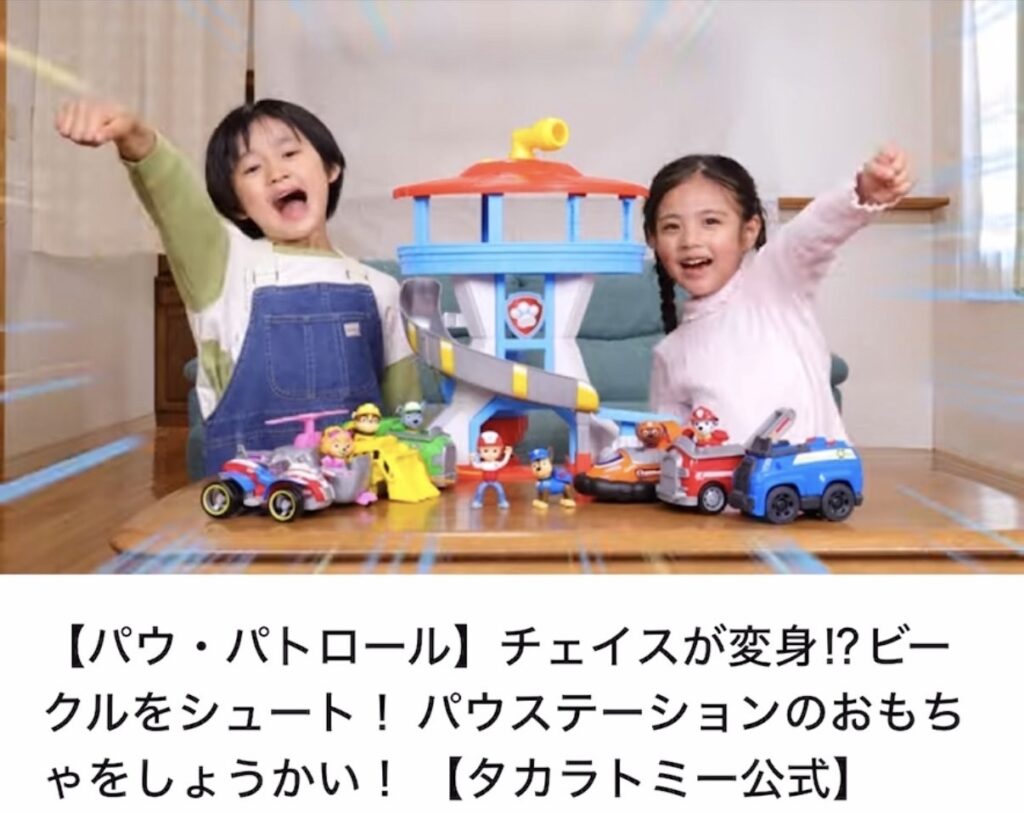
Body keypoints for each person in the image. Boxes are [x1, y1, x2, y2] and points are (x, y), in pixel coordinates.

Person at [55, 98, 420, 474]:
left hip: (359, 500)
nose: (276, 173)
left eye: (289, 153)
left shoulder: (382, 288)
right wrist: (135, 136)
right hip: (247, 499)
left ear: (330, 168)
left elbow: (405, 417)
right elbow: (175, 198)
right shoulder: (224, 264)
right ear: (237, 205)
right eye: (252, 168)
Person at [645, 147, 912, 444]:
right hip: (731, 476)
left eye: (710, 222)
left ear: (749, 231)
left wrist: (861, 193)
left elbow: (811, 233)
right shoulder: (670, 353)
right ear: (653, 239)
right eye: (671, 226)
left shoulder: (774, 282)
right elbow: (669, 442)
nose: (690, 240)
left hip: (818, 469)